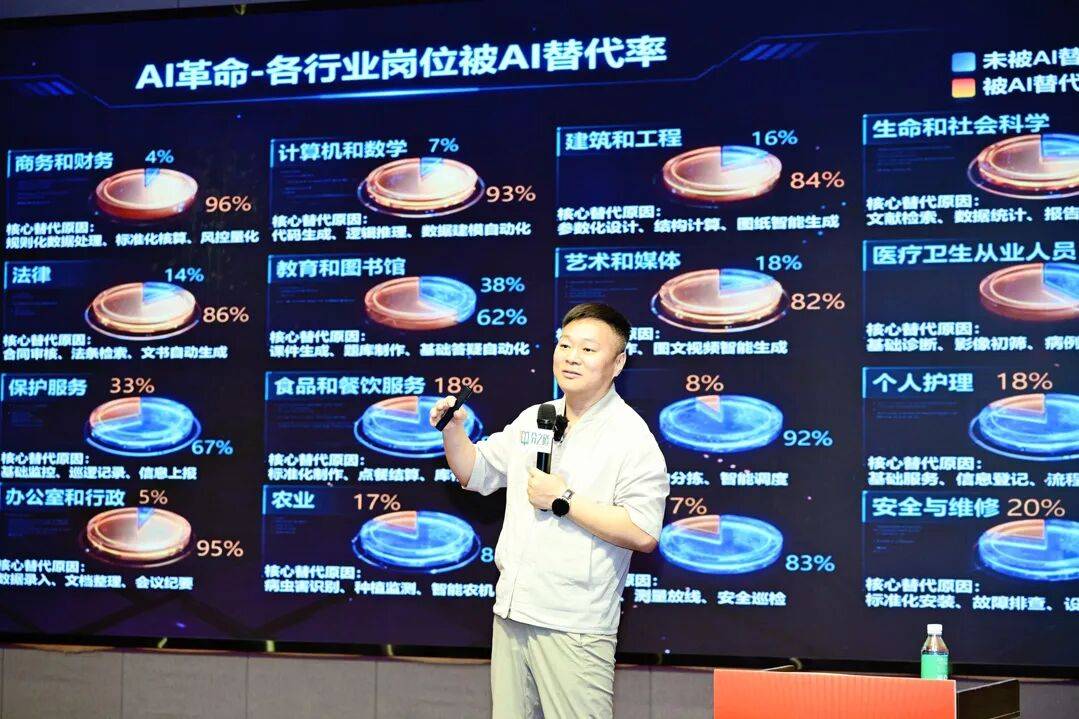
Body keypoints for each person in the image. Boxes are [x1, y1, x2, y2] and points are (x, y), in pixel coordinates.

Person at [429, 302, 669, 719]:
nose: (572, 357)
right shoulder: (535, 418)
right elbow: (475, 471)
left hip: (574, 624)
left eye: (588, 349)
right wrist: (453, 431)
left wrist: (565, 500)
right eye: (565, 345)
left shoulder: (631, 437)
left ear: (618, 363)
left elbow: (643, 531)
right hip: (513, 613)